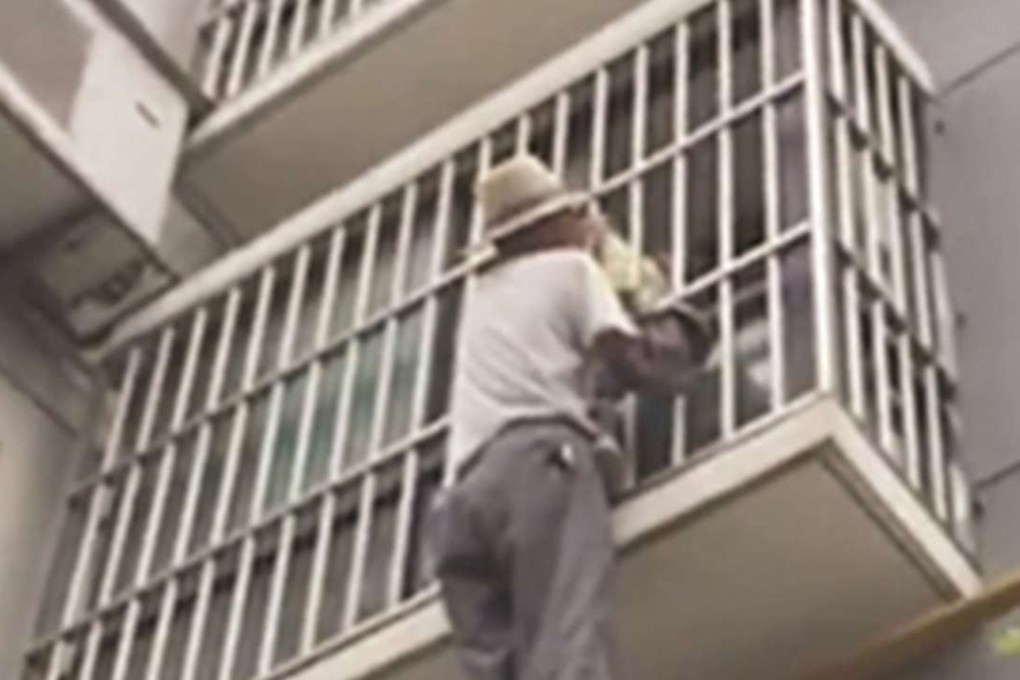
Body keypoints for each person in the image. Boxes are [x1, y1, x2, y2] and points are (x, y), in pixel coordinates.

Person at [430, 155, 711, 680]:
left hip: (459, 504)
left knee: (501, 668)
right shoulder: (570, 270)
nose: (584, 225)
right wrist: (650, 293)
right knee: (567, 640)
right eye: (575, 216)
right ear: (552, 225)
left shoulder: (483, 295)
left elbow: (580, 377)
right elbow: (643, 364)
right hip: (537, 467)